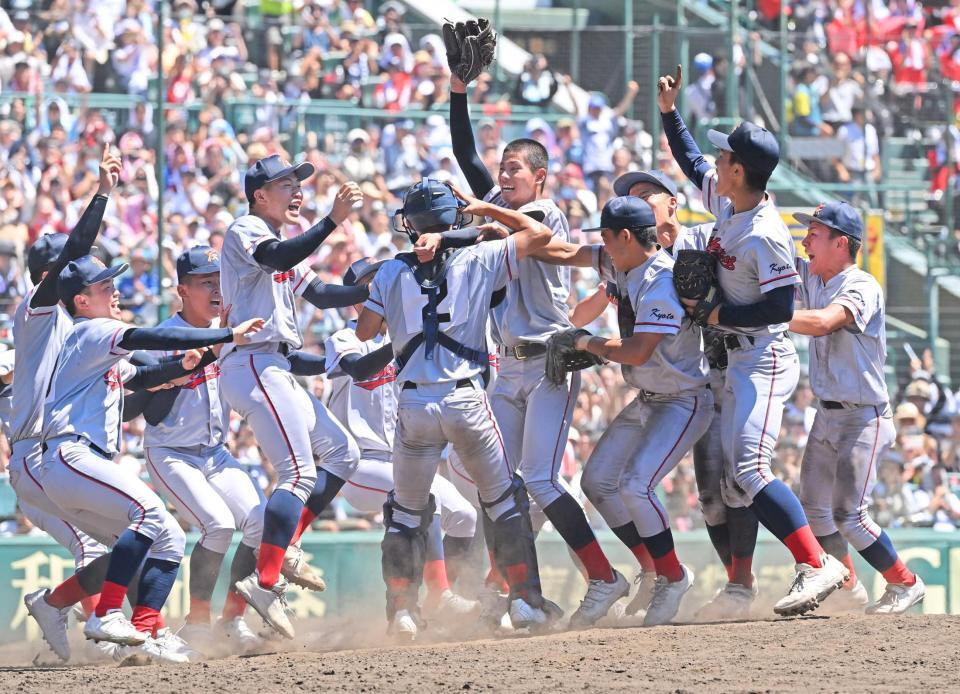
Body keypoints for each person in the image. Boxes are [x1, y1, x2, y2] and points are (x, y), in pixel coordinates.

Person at [421, 69, 625, 625]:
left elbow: (513, 226)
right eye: (503, 167)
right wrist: (459, 92)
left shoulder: (546, 213)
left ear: (540, 177)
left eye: (515, 168)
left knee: (538, 478)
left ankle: (605, 578)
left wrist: (475, 215)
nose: (504, 174)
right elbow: (466, 153)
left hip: (550, 364)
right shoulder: (501, 206)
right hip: (506, 370)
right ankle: (513, 589)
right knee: (499, 485)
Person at [657, 64, 848, 616]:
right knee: (730, 483)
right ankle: (744, 584)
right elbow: (692, 161)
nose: (716, 164)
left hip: (761, 359)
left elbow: (780, 308)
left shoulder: (766, 234)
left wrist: (717, 313)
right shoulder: (730, 200)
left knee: (750, 469)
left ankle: (817, 564)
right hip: (730, 359)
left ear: (739, 170)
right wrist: (670, 115)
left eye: (725, 158)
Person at [32, 253, 264, 664]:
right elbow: (147, 341)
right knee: (154, 517)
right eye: (104, 287)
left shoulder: (94, 344)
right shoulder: (92, 329)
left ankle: (141, 628)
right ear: (82, 301)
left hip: (81, 462)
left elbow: (139, 378)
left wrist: (193, 363)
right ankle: (106, 614)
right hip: (70, 454)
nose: (115, 291)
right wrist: (226, 336)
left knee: (168, 535)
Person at [355, 179, 560, 639]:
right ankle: (525, 603)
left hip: (413, 403)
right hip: (466, 398)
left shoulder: (389, 272)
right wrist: (482, 212)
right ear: (456, 217)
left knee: (406, 513)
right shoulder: (483, 256)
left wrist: (369, 283)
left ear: (411, 224)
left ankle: (402, 613)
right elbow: (540, 235)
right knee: (504, 503)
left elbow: (366, 331)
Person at [526, 196, 713, 626]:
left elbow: (639, 352)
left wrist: (584, 342)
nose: (602, 246)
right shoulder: (621, 262)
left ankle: (673, 575)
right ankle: (651, 567)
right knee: (597, 483)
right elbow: (562, 251)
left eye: (606, 238)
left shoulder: (660, 279)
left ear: (626, 237)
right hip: (649, 399)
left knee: (635, 485)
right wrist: (502, 234)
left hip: (683, 400)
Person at [218, 155, 366, 639]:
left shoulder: (279, 240)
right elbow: (276, 260)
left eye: (297, 183)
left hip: (275, 364)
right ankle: (265, 580)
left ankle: (282, 550)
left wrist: (381, 283)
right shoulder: (245, 229)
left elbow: (322, 294)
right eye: (285, 184)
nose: (296, 191)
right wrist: (332, 221)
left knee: (343, 453)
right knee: (299, 473)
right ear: (259, 195)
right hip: (253, 362)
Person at [612, 168, 759, 619]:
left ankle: (741, 583)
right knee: (710, 498)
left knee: (737, 486)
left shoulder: (704, 241)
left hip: (728, 370)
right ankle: (736, 586)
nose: (639, 201)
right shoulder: (632, 259)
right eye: (631, 196)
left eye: (647, 194)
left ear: (672, 203)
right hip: (691, 381)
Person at [324, 258, 480, 625]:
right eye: (372, 283)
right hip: (356, 463)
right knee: (423, 502)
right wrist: (400, 340)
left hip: (401, 459)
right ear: (356, 298)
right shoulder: (345, 337)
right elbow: (360, 369)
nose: (382, 288)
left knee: (465, 517)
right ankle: (437, 595)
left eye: (385, 281)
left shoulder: (406, 337)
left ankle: (413, 606)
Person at [790, 201, 925, 614]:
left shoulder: (861, 283)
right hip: (826, 412)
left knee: (849, 514)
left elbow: (825, 321)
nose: (806, 239)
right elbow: (770, 254)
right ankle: (847, 586)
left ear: (841, 243)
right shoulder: (814, 275)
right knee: (814, 510)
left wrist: (767, 317)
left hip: (863, 415)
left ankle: (905, 583)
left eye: (815, 233)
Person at [139, 246, 271, 656]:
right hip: (171, 451)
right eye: (204, 282)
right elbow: (152, 414)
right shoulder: (162, 338)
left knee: (262, 522)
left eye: (219, 279)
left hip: (215, 453)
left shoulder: (229, 332)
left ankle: (232, 620)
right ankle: (197, 623)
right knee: (217, 525)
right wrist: (188, 367)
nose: (216, 288)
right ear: (183, 290)